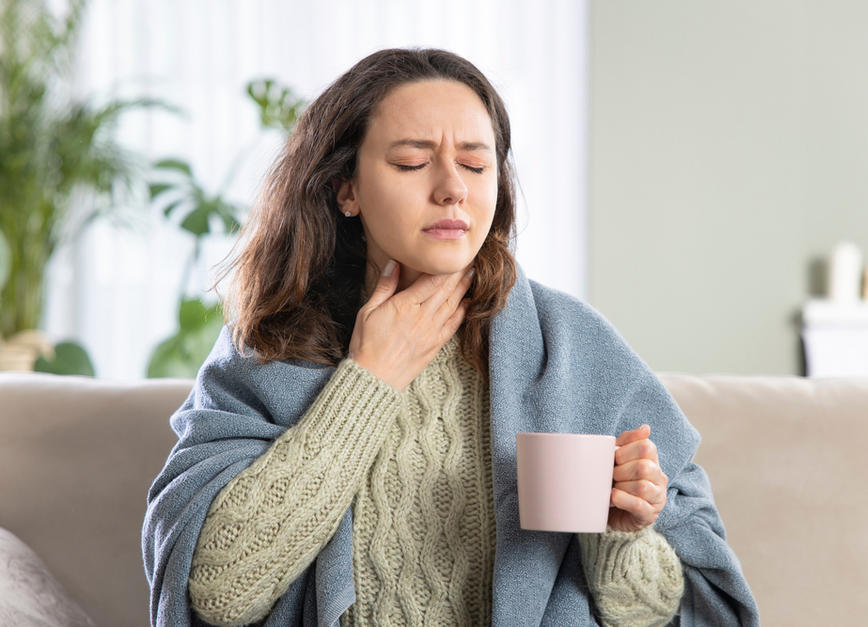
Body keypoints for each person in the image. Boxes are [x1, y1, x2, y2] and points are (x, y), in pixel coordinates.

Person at [142, 47, 759, 627]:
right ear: (345, 188)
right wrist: (369, 380)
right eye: (412, 162)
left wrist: (618, 539)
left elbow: (669, 610)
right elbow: (218, 591)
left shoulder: (572, 345)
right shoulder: (272, 342)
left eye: (474, 163)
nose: (452, 188)